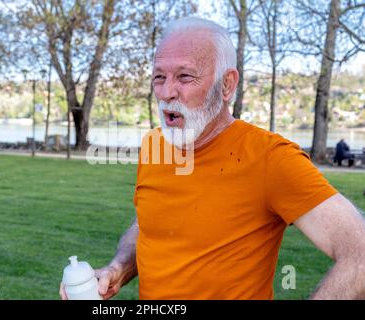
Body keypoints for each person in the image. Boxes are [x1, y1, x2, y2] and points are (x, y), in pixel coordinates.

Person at [60, 17, 365, 300]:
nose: (167, 92)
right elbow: (148, 221)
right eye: (159, 77)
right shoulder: (155, 144)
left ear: (227, 85)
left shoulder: (271, 158)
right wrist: (118, 267)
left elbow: (360, 254)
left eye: (185, 76)